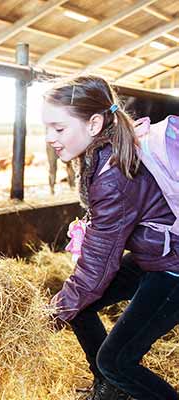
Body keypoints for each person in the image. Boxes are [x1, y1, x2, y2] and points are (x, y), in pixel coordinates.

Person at [42, 75, 179, 400]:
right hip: (156, 255)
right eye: (47, 127)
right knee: (79, 304)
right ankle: (109, 391)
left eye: (59, 129)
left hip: (173, 267)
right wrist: (69, 302)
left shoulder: (112, 175)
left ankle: (115, 380)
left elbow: (99, 264)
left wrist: (53, 313)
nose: (49, 137)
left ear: (93, 123)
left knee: (116, 360)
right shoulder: (102, 154)